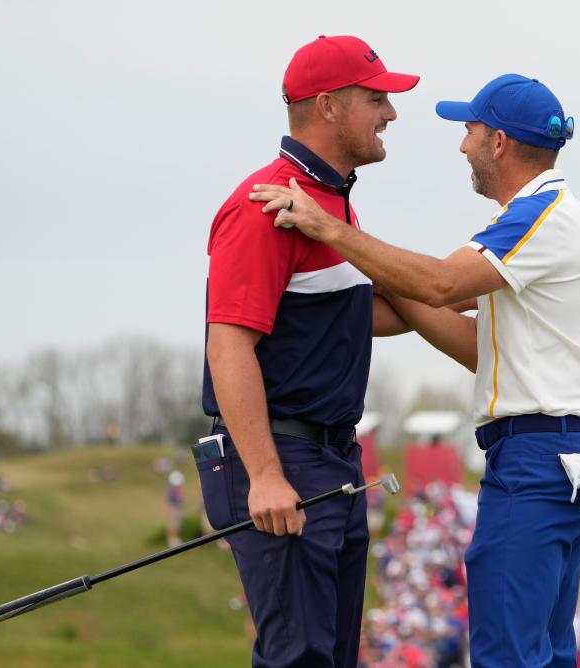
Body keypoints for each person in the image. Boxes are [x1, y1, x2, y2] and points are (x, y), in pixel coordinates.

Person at [251, 73, 580, 667]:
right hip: (558, 449)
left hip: (536, 458)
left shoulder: (539, 215)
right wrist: (337, 303)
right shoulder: (541, 217)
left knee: (507, 656)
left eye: (469, 130)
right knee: (542, 653)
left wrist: (328, 229)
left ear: (498, 142)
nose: (461, 145)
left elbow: (439, 283)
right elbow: (467, 336)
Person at [201, 35, 419, 667]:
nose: (391, 114)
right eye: (377, 98)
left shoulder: (330, 202)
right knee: (300, 658)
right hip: (282, 456)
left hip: (334, 458)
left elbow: (354, 317)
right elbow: (229, 344)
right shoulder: (264, 204)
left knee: (330, 656)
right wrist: (266, 474)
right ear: (329, 107)